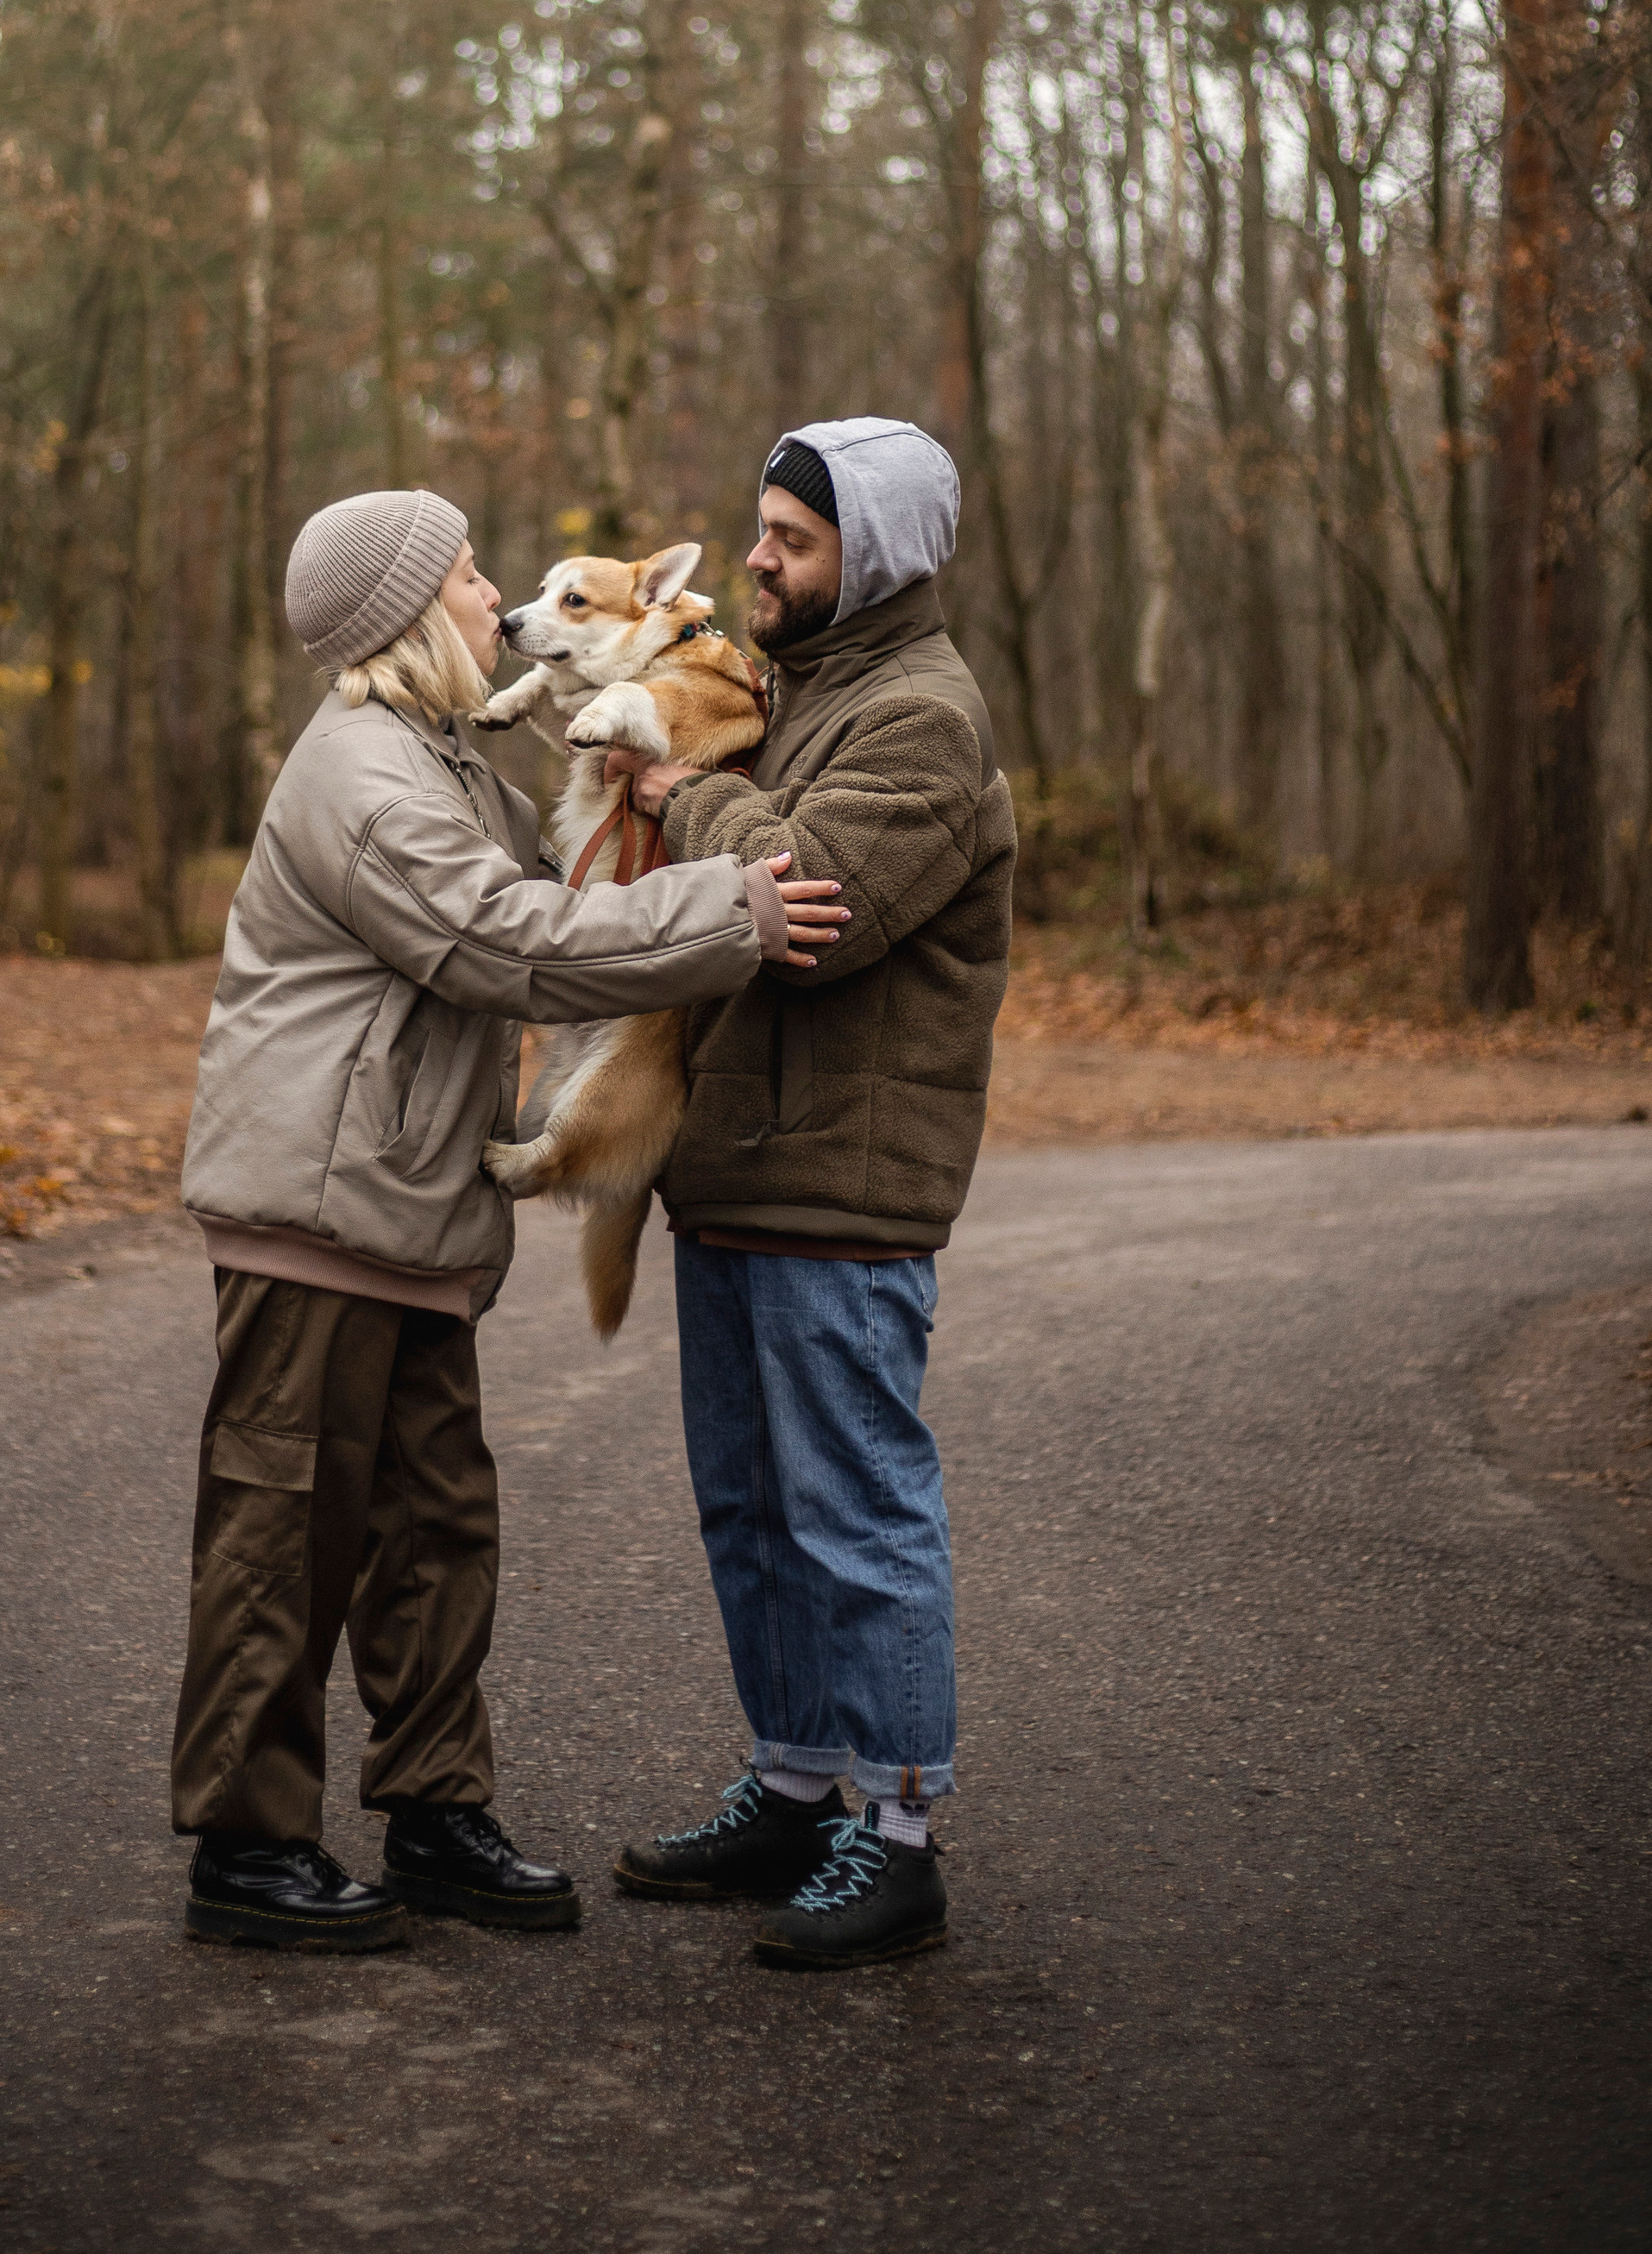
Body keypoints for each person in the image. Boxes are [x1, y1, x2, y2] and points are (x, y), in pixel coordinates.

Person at [171, 486, 846, 1954]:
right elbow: (500, 941)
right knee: (285, 1533)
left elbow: (564, 879)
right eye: (473, 578)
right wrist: (727, 915)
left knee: (434, 1530)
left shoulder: (445, 758)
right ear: (413, 613)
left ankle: (434, 1813)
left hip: (407, 1211)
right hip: (320, 1210)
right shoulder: (364, 771)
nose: (497, 601)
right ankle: (246, 1845)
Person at [606, 418, 1017, 1969]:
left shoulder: (920, 721)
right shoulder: (797, 693)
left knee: (856, 1518)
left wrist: (681, 786)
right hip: (734, 1172)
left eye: (792, 538)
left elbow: (810, 916)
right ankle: (793, 1787)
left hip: (843, 1195)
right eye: (763, 529)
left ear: (880, 556)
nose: (758, 558)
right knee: (753, 1513)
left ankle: (900, 1837)